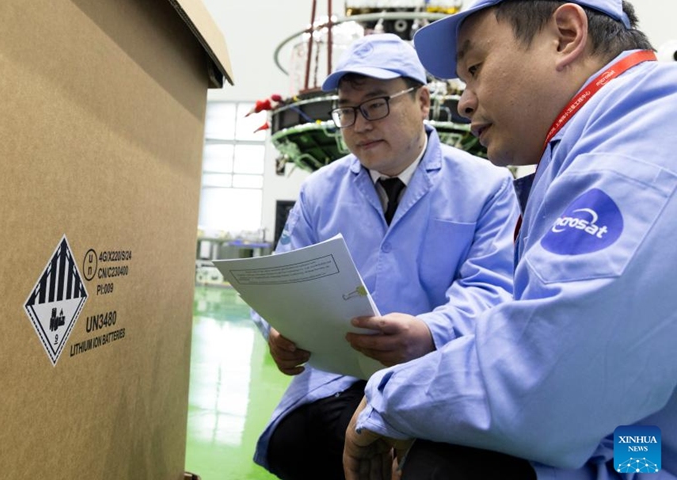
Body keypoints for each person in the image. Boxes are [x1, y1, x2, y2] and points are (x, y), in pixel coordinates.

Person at [343, 1, 677, 479]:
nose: (464, 100)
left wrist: (385, 400)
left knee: (451, 466)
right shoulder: (595, 140)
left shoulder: (644, 152)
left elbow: (547, 374)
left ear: (565, 35)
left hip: (651, 452)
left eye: (475, 69)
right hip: (636, 432)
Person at [250, 33, 520, 480]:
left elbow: (492, 289)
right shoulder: (321, 190)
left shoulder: (484, 186)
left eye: (376, 104)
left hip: (436, 375)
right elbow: (281, 277)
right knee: (294, 442)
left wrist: (428, 332)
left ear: (423, 102)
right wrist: (277, 329)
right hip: (334, 380)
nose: (360, 123)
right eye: (347, 109)